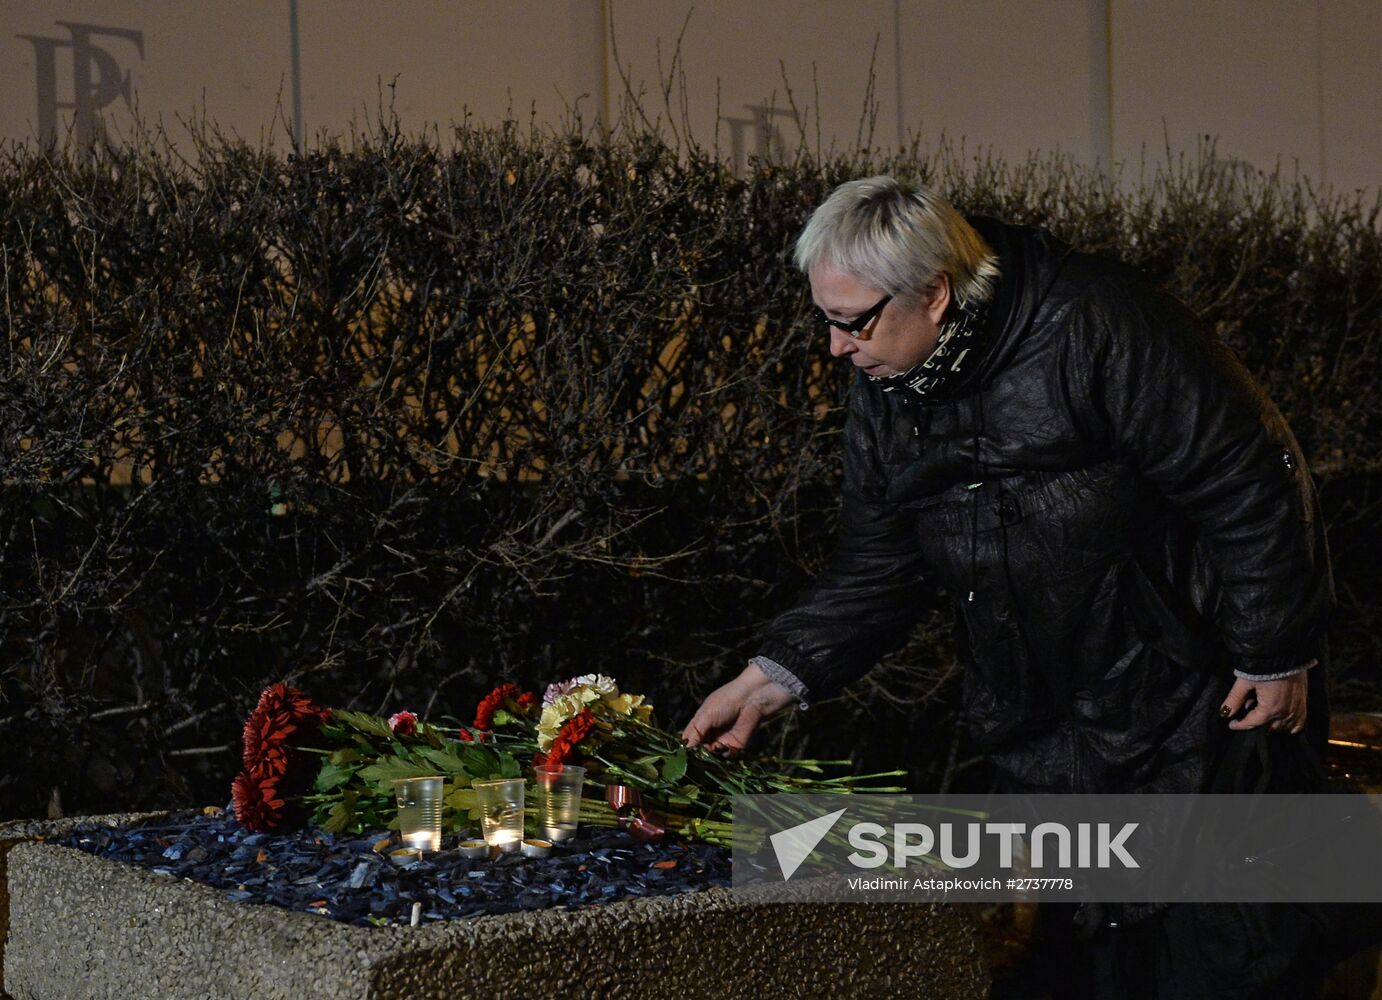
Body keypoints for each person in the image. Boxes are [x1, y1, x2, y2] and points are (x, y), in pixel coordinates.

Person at [681, 176, 1336, 998]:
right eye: (825, 319)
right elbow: (882, 564)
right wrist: (773, 676)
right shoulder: (888, 383)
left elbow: (1247, 474)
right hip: (1045, 731)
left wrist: (1274, 651)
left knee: (1221, 959)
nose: (836, 347)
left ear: (936, 293)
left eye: (853, 322)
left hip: (1192, 712)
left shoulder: (1100, 319)